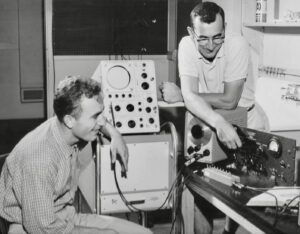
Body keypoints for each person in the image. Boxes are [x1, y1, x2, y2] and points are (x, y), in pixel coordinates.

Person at [160, 2, 269, 234]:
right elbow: (197, 100)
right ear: (191, 33)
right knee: (202, 192)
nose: (211, 46)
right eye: (203, 38)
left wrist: (184, 95)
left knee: (243, 198)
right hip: (211, 122)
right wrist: (217, 122)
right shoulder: (186, 45)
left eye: (217, 37)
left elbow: (230, 100)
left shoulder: (237, 43)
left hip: (247, 122)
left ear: (225, 28)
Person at [0, 76, 153, 234]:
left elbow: (98, 120)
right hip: (33, 228)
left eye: (101, 113)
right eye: (95, 117)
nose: (101, 122)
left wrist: (115, 135)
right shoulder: (40, 160)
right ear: (70, 120)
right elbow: (42, 228)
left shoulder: (68, 126)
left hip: (65, 216)